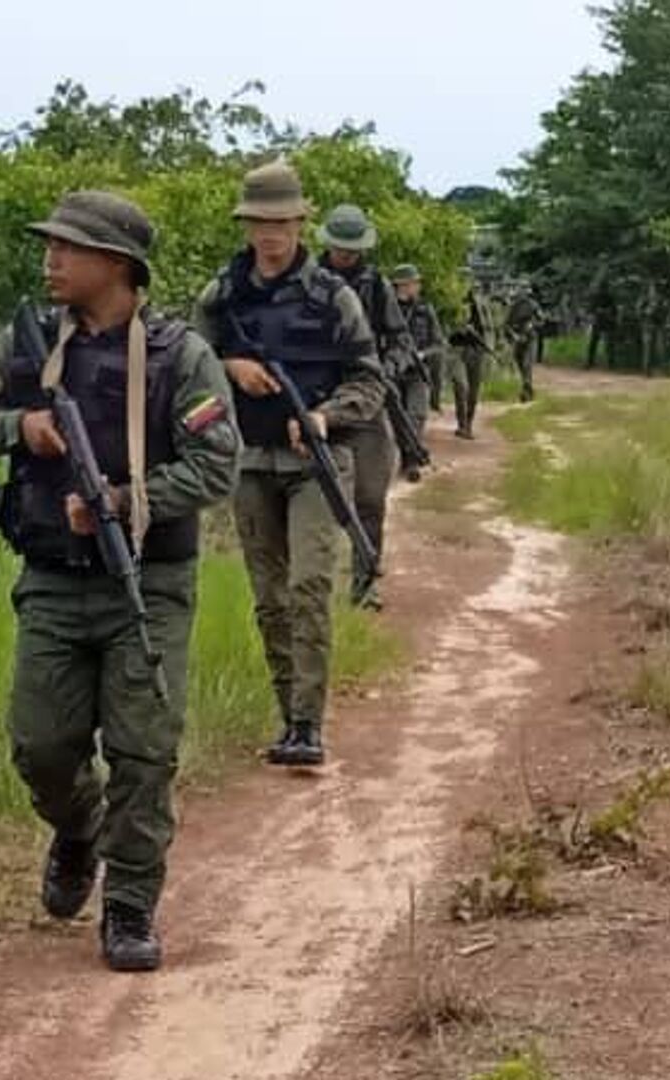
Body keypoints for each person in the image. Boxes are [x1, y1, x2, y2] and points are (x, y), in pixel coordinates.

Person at [0, 191, 238, 971]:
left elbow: (217, 464)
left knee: (144, 751)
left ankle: (131, 905)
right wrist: (22, 428)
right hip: (51, 580)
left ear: (116, 264)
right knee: (41, 747)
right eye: (51, 246)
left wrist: (122, 503)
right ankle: (78, 831)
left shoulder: (181, 355)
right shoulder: (27, 339)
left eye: (68, 248)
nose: (52, 259)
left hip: (149, 580)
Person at [193, 162, 385, 770]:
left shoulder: (335, 297)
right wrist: (230, 368)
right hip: (248, 460)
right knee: (269, 596)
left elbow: (369, 380)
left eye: (283, 222)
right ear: (246, 225)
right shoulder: (221, 294)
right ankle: (286, 715)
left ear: (302, 223)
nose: (271, 233)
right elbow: (188, 365)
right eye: (260, 222)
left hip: (315, 462)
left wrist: (325, 416)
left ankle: (308, 722)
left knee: (308, 587)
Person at [321, 203, 414, 609]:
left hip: (366, 402)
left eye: (352, 249)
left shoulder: (376, 287)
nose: (347, 255)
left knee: (371, 498)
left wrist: (384, 370)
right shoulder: (306, 282)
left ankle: (364, 584)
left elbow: (401, 341)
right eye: (340, 248)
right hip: (314, 402)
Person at [392, 263, 446, 446]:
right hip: (393, 371)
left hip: (417, 370)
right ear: (402, 285)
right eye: (414, 283)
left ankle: (412, 455)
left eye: (417, 283)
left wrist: (422, 354)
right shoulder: (387, 309)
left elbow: (439, 343)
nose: (417, 286)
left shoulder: (425, 309)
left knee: (417, 413)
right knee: (394, 415)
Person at [448, 276, 494, 439]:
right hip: (457, 350)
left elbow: (488, 327)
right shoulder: (450, 303)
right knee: (461, 386)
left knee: (473, 390)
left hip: (476, 350)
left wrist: (489, 346)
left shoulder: (481, 303)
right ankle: (462, 424)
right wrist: (457, 328)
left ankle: (468, 424)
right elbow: (443, 327)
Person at [504, 280, 541, 403]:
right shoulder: (513, 306)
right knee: (521, 366)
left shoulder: (533, 305)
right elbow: (506, 325)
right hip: (518, 339)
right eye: (522, 289)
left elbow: (542, 320)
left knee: (527, 365)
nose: (523, 292)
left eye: (525, 289)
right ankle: (528, 389)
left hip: (530, 338)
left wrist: (532, 325)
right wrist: (513, 335)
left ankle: (525, 393)